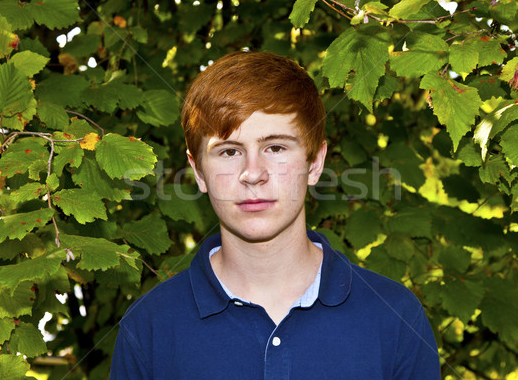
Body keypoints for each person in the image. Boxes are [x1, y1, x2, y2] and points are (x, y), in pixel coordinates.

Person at [110, 51, 440, 379]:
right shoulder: (148, 328)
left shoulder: (395, 318)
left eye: (276, 147)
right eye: (229, 152)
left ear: (315, 163)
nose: (253, 173)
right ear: (198, 172)